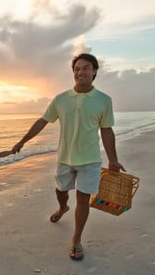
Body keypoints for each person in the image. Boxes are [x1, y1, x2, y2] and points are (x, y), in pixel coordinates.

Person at [13, 53, 125, 261]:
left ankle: (76, 239)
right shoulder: (61, 99)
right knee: (61, 190)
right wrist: (23, 141)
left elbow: (107, 130)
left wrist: (113, 159)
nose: (80, 72)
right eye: (77, 69)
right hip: (65, 158)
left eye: (85, 68)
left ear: (94, 72)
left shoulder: (104, 100)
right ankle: (63, 206)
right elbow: (42, 121)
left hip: (90, 159)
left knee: (82, 198)